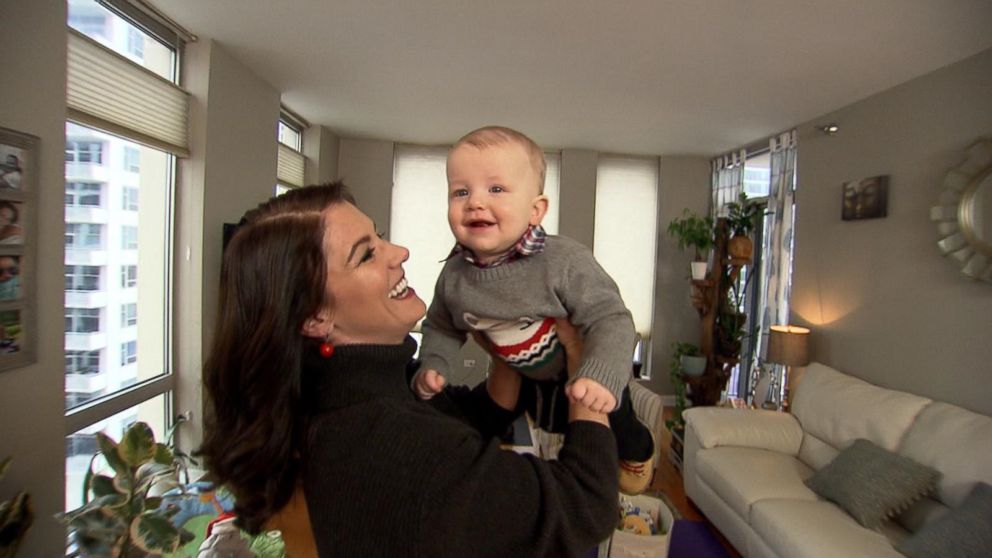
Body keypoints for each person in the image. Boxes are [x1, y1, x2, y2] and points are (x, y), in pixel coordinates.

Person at [198, 182, 618, 558]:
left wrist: (503, 334)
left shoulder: (347, 390)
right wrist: (584, 360)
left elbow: (477, 414)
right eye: (366, 254)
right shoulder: (391, 448)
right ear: (316, 318)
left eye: (379, 235)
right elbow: (584, 505)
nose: (399, 252)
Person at [411, 126, 655, 494]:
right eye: (461, 191)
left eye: (496, 189)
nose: (475, 201)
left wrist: (601, 375)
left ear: (535, 210)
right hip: (522, 372)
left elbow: (611, 317)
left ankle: (641, 450)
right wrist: (435, 364)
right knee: (498, 419)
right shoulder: (455, 276)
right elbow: (442, 326)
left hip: (584, 367)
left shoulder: (562, 261)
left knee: (611, 417)